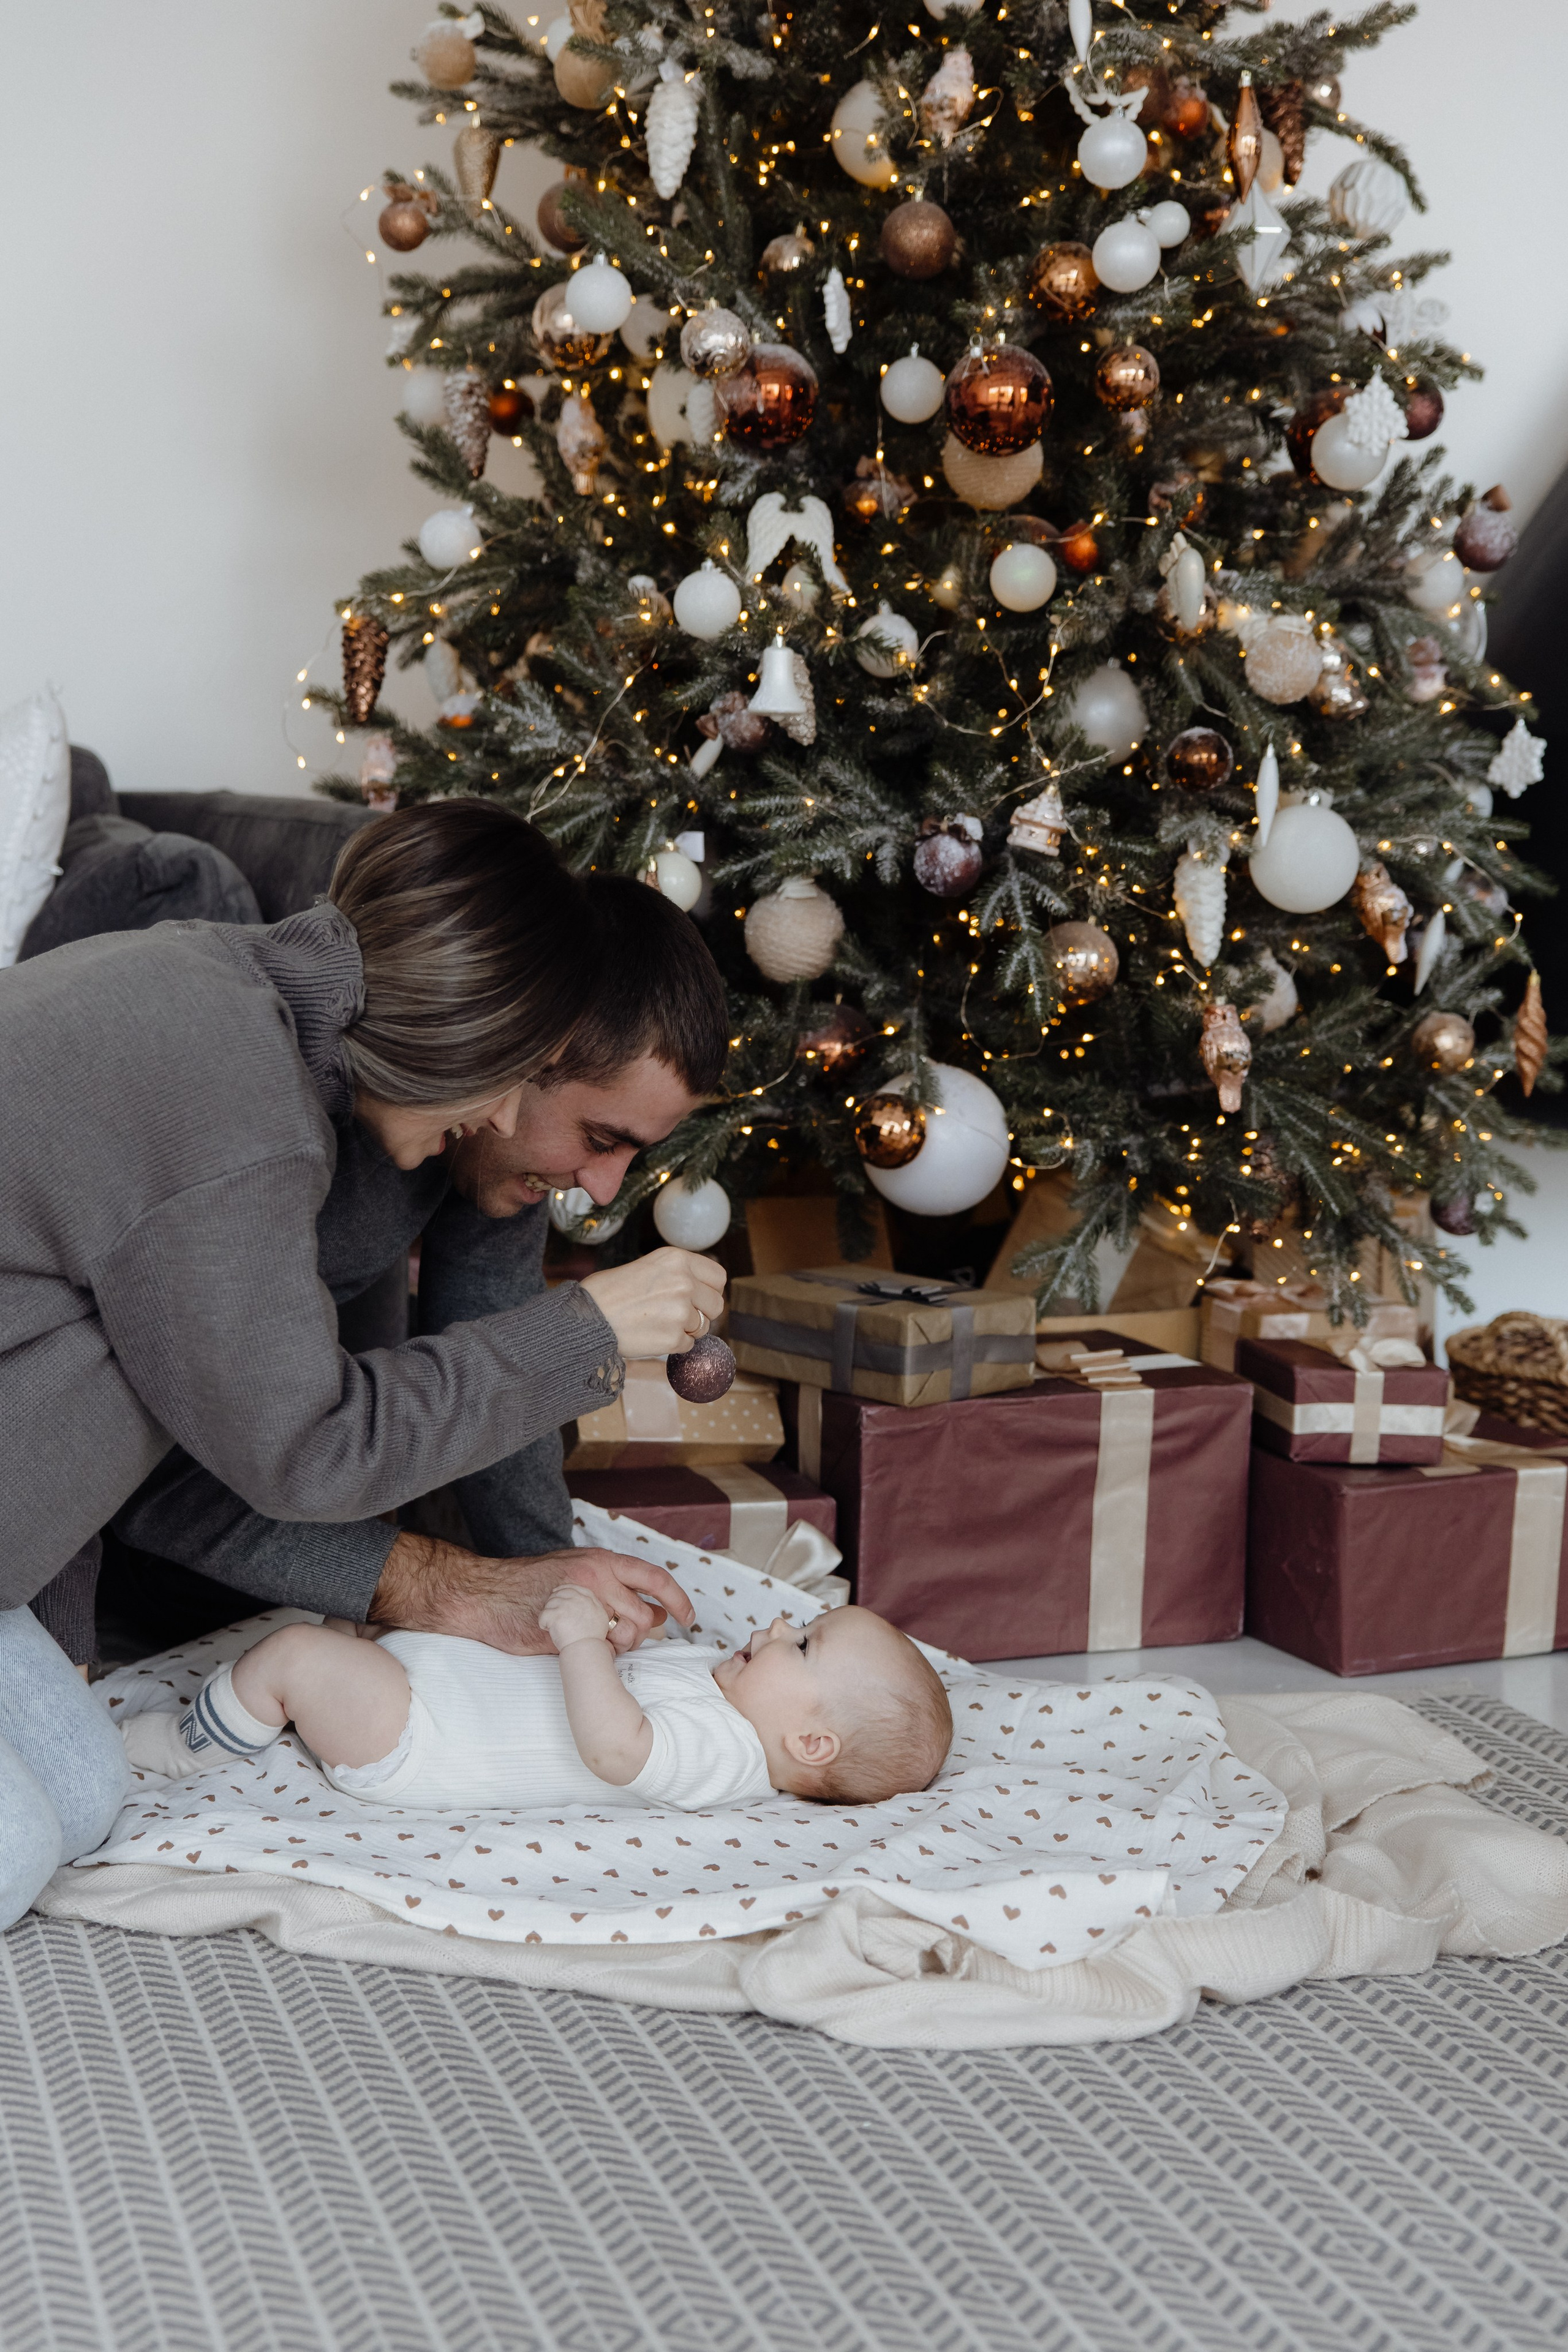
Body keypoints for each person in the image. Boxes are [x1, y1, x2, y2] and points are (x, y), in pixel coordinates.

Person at [0, 799, 723, 1925]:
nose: (498, 1117)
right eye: (588, 1131)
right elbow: (301, 1449)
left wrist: (546, 1586)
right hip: (138, 1506)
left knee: (87, 1801)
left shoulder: (274, 1039)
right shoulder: (247, 1130)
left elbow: (102, 1374)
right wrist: (583, 1335)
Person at [128, 1601, 955, 1811]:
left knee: (295, 1657)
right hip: (435, 1678)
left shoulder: (727, 1756)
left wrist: (585, 1644)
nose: (777, 1625)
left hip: (419, 1734)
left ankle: (189, 1746)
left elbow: (618, 1748)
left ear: (809, 1743)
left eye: (803, 1643)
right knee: (349, 1608)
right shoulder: (728, 1688)